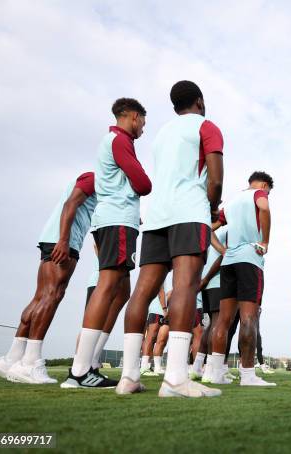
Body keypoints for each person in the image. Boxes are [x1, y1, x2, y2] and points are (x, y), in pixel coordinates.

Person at [115, 80, 224, 398]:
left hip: (157, 217)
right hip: (189, 213)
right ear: (200, 101)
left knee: (142, 292)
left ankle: (128, 377)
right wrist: (212, 207)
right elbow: (215, 180)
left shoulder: (162, 133)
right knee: (187, 286)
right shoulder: (207, 126)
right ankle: (176, 379)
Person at [62, 98, 151, 389]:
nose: (143, 128)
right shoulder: (119, 140)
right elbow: (143, 183)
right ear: (134, 117)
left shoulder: (113, 141)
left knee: (121, 288)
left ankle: (90, 363)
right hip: (117, 219)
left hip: (111, 220)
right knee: (108, 285)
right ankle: (80, 370)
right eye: (143, 121)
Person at [0, 172, 96, 384]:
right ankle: (31, 362)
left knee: (40, 297)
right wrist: (64, 240)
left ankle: (12, 358)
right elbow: (69, 205)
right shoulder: (95, 177)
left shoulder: (101, 185)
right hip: (64, 242)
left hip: (54, 239)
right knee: (52, 295)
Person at [208, 171, 274, 386]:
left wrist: (222, 250)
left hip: (229, 263)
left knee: (223, 322)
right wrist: (265, 241)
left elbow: (209, 230)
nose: (267, 195)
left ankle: (216, 373)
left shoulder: (232, 201)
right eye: (268, 192)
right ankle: (248, 376)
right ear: (264, 185)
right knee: (249, 319)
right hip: (249, 260)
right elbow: (264, 207)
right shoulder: (258, 194)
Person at [76, 246, 131, 379]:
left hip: (110, 280)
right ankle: (78, 366)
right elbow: (97, 244)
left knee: (102, 323)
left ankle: (92, 363)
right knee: (89, 325)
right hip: (100, 281)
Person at [192, 228, 227, 381]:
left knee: (211, 325)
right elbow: (224, 257)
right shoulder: (229, 231)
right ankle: (210, 371)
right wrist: (206, 279)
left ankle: (197, 367)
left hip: (207, 283)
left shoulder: (211, 232)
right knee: (217, 325)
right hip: (216, 280)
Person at [140, 285, 167, 376]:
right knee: (150, 338)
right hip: (157, 310)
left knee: (161, 340)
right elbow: (160, 290)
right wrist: (164, 309)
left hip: (160, 311)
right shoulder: (160, 272)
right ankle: (144, 367)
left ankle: (157, 367)